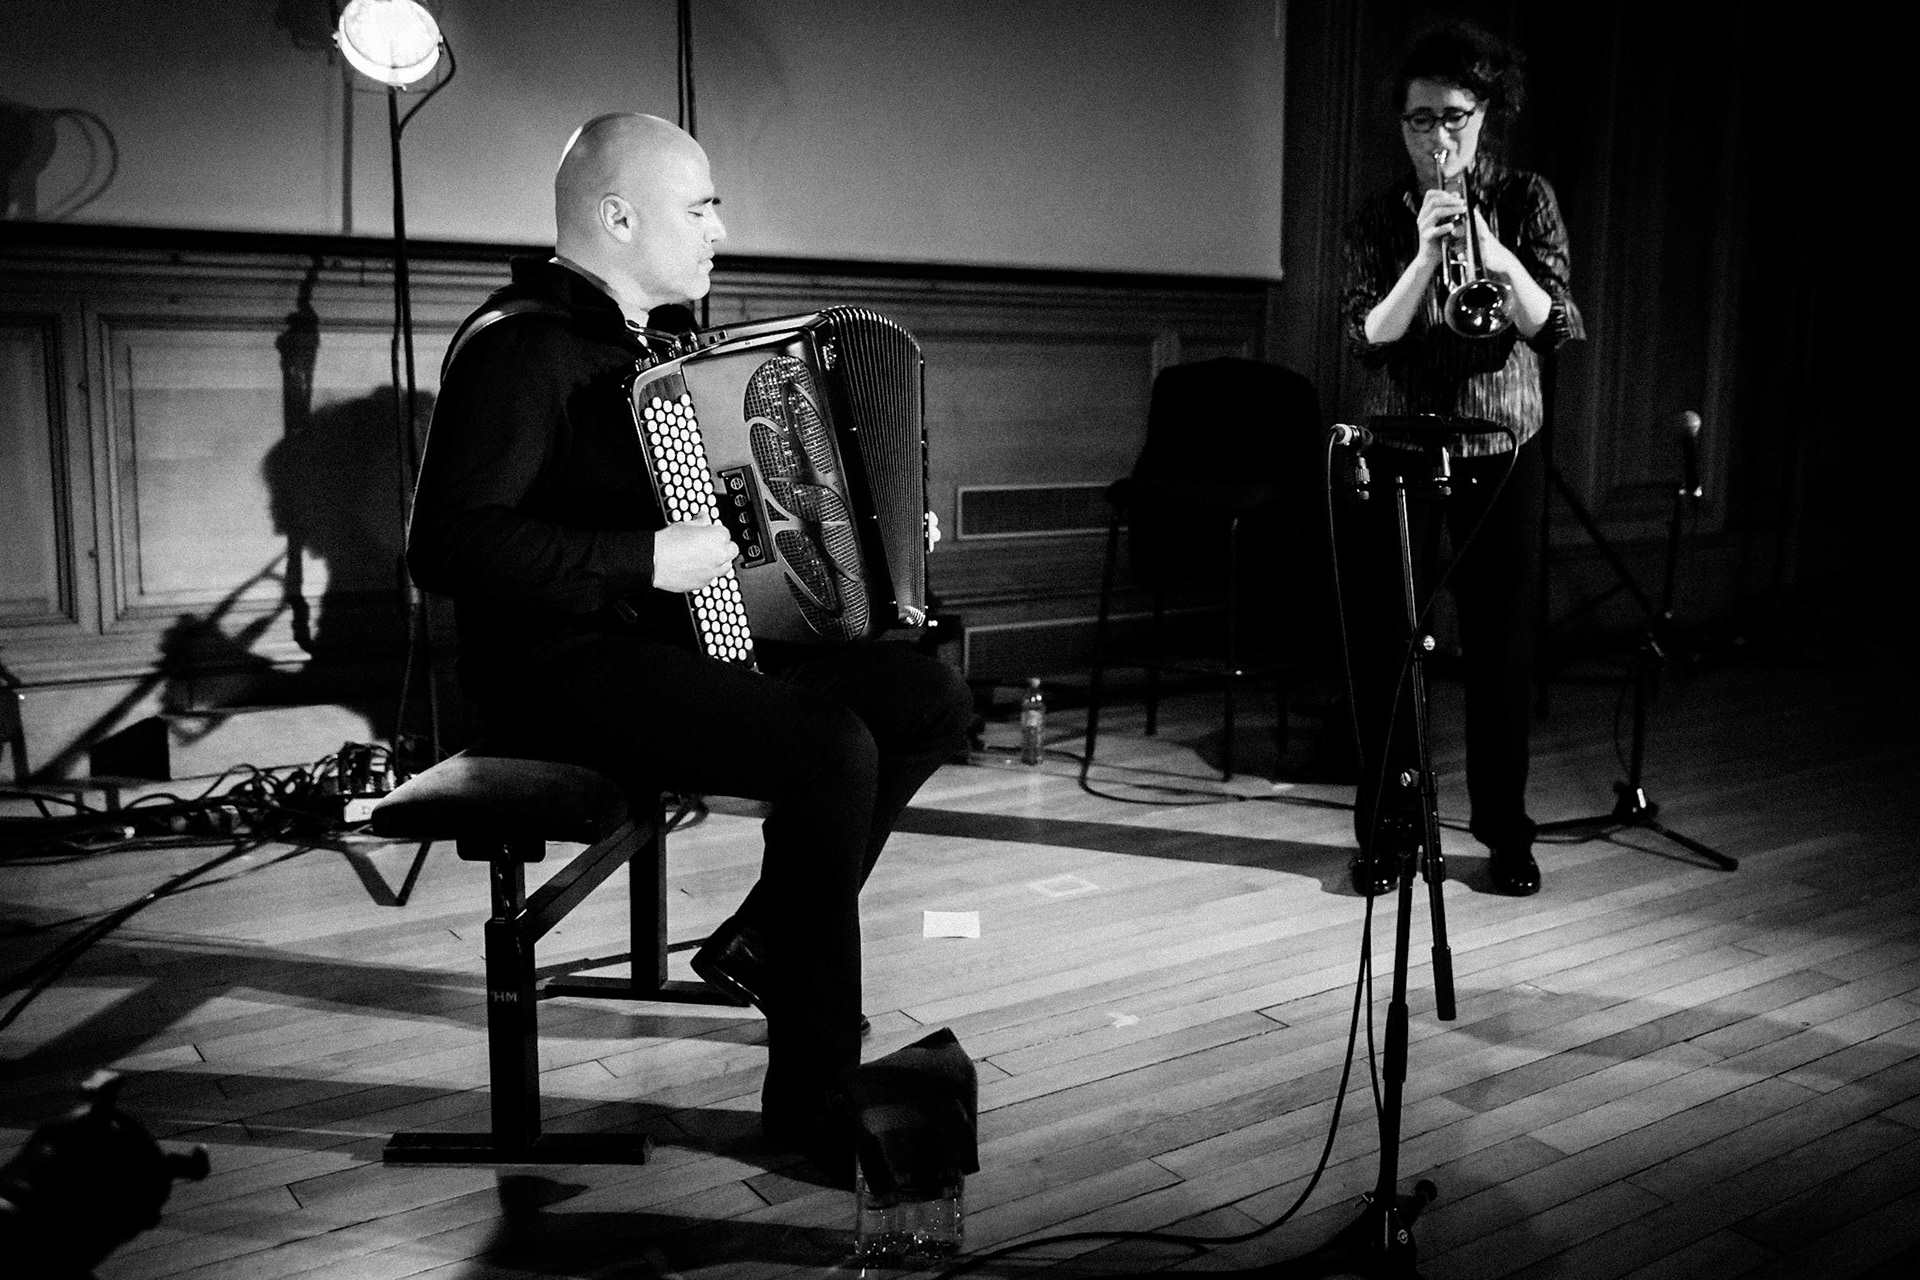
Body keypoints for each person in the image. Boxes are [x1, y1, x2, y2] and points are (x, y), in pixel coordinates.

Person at [405, 113, 972, 1181]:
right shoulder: (520, 343)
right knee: (830, 747)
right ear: (618, 216)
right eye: (700, 205)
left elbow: (742, 513)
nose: (722, 226)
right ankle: (810, 1088)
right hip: (557, 669)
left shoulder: (655, 347)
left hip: (664, 645)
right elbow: (448, 541)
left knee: (929, 697)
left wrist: (875, 530)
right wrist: (640, 559)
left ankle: (766, 932)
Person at [1338, 24, 1584, 899]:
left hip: (1502, 441)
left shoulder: (1526, 199)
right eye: (1417, 121)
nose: (1435, 140)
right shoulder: (1377, 216)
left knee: (1503, 646)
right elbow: (1369, 336)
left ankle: (1505, 833)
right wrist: (1423, 256)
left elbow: (1553, 323)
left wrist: (1486, 239)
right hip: (1403, 440)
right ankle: (1390, 832)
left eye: (1452, 118)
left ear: (1487, 116)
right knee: (1388, 645)